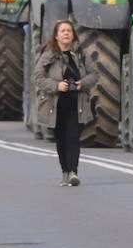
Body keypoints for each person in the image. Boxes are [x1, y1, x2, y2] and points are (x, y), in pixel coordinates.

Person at [32, 19, 97, 186]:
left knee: (73, 137)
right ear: (56, 36)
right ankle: (65, 172)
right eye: (63, 31)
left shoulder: (81, 54)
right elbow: (37, 78)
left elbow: (94, 75)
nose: (67, 33)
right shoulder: (48, 55)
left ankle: (74, 172)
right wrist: (56, 86)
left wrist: (83, 83)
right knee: (61, 139)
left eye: (69, 30)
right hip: (56, 104)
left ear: (73, 35)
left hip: (77, 103)